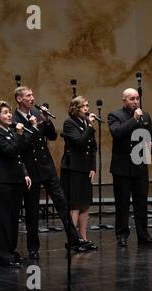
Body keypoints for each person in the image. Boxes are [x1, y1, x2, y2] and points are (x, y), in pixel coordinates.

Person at [13, 86, 93, 258]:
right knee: (32, 210)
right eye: (28, 95)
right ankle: (33, 248)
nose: (32, 98)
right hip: (30, 170)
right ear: (19, 99)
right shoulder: (13, 119)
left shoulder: (36, 112)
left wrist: (46, 121)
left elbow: (52, 136)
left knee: (62, 203)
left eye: (33, 94)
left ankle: (73, 240)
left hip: (46, 166)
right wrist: (34, 127)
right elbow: (20, 146)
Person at [108, 88, 152, 247]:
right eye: (131, 99)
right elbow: (117, 133)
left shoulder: (146, 116)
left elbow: (150, 135)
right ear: (124, 100)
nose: (135, 101)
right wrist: (134, 119)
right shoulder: (114, 115)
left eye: (137, 98)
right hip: (122, 168)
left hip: (140, 166)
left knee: (141, 203)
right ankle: (121, 235)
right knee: (122, 204)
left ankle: (143, 235)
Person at [0, 101, 32, 267]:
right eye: (5, 113)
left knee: (14, 219)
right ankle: (3, 256)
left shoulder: (11, 132)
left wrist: (25, 174)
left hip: (16, 180)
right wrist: (20, 134)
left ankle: (11, 252)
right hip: (3, 181)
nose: (9, 115)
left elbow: (18, 157)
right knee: (4, 219)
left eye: (9, 112)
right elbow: (10, 152)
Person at [60, 96, 98, 249]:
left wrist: (93, 168)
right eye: (84, 106)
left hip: (85, 168)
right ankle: (73, 240)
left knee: (85, 204)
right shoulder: (70, 123)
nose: (87, 109)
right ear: (76, 108)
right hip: (73, 169)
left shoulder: (85, 123)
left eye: (88, 105)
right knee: (74, 205)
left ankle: (83, 237)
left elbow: (93, 148)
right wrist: (89, 125)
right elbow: (80, 142)